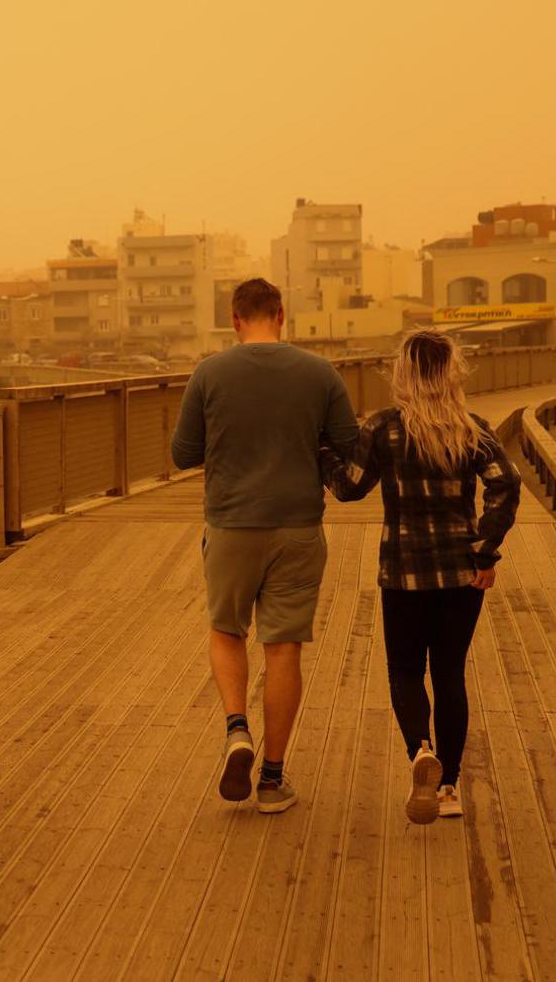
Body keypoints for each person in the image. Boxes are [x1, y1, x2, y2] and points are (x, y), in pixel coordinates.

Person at [171, 278, 359, 813]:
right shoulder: (320, 373)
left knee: (226, 630)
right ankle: (273, 780)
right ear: (281, 314)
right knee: (283, 647)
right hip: (298, 525)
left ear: (235, 319)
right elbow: (348, 445)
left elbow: (183, 454)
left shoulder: (209, 373)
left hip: (231, 523)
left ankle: (237, 729)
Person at [319, 330, 520, 824]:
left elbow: (348, 488)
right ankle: (448, 787)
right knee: (449, 672)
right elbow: (506, 483)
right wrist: (485, 550)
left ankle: (421, 750)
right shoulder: (472, 429)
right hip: (461, 573)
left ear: (403, 373)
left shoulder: (383, 428)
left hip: (403, 572)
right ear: (451, 373)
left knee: (406, 671)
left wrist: (322, 448)